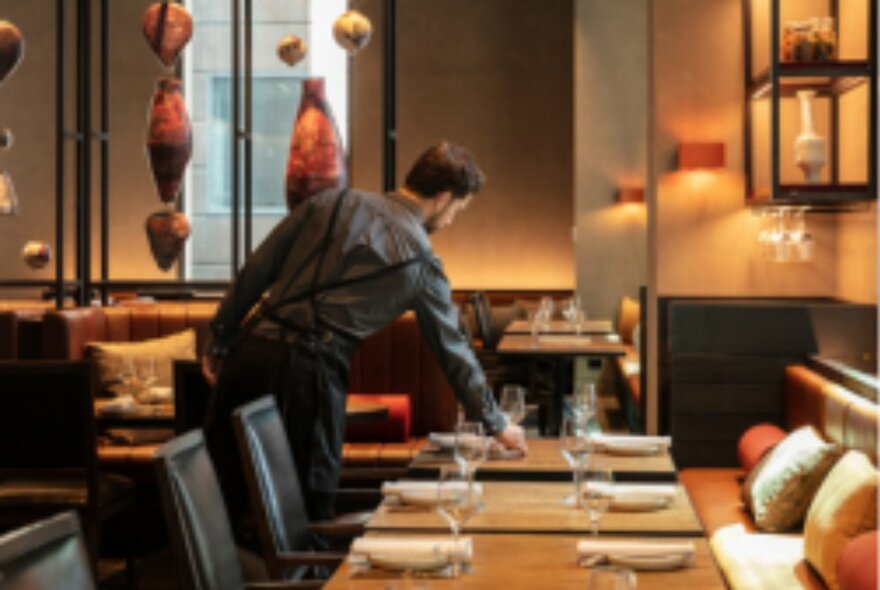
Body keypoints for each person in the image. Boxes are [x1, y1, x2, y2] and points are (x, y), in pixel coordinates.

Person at [202, 141, 528, 531]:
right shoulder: (421, 259)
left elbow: (258, 268)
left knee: (222, 495)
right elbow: (453, 349)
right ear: (443, 198)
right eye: (459, 207)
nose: (453, 218)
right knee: (307, 507)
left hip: (249, 352)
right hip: (309, 371)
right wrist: (496, 423)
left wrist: (220, 337)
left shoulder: (330, 203)